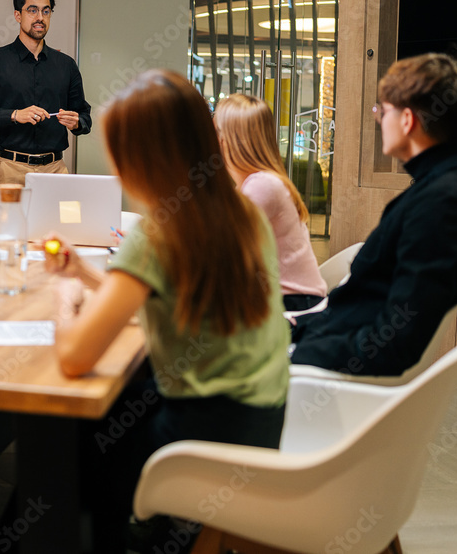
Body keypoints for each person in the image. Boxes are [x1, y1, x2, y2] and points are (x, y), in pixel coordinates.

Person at [41, 69, 290, 551]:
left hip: (200, 442)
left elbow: (73, 356)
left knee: (67, 443)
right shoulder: (240, 214)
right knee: (120, 395)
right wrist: (87, 276)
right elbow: (172, 299)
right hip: (258, 423)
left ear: (141, 159)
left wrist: (62, 303)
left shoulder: (158, 232)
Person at [291, 53, 457, 376]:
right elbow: (369, 302)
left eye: (382, 110)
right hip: (329, 340)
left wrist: (290, 352)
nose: (377, 118)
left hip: (328, 373)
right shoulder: (445, 188)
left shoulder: (444, 204)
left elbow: (394, 343)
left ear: (407, 120)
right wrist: (295, 326)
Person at [0, 0, 92, 186]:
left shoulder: (66, 65)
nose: (40, 18)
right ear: (18, 15)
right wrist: (14, 115)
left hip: (56, 170)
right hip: (11, 170)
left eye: (46, 11)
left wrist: (77, 123)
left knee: (61, 220)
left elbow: (84, 117)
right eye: (32, 10)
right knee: (10, 220)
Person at [215, 93, 328, 312]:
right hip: (289, 302)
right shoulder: (256, 183)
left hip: (293, 309)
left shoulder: (262, 185)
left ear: (226, 139)